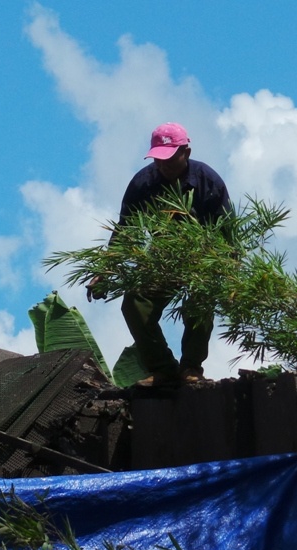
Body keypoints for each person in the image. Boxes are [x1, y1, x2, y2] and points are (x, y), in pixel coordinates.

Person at [87, 122, 232, 385]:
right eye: (158, 160)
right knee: (135, 304)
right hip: (163, 260)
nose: (162, 166)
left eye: (169, 159)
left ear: (185, 152)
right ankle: (163, 369)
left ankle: (191, 368)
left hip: (204, 260)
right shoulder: (143, 183)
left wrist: (230, 276)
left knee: (198, 306)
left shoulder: (207, 181)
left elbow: (227, 233)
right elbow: (125, 232)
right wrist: (105, 271)